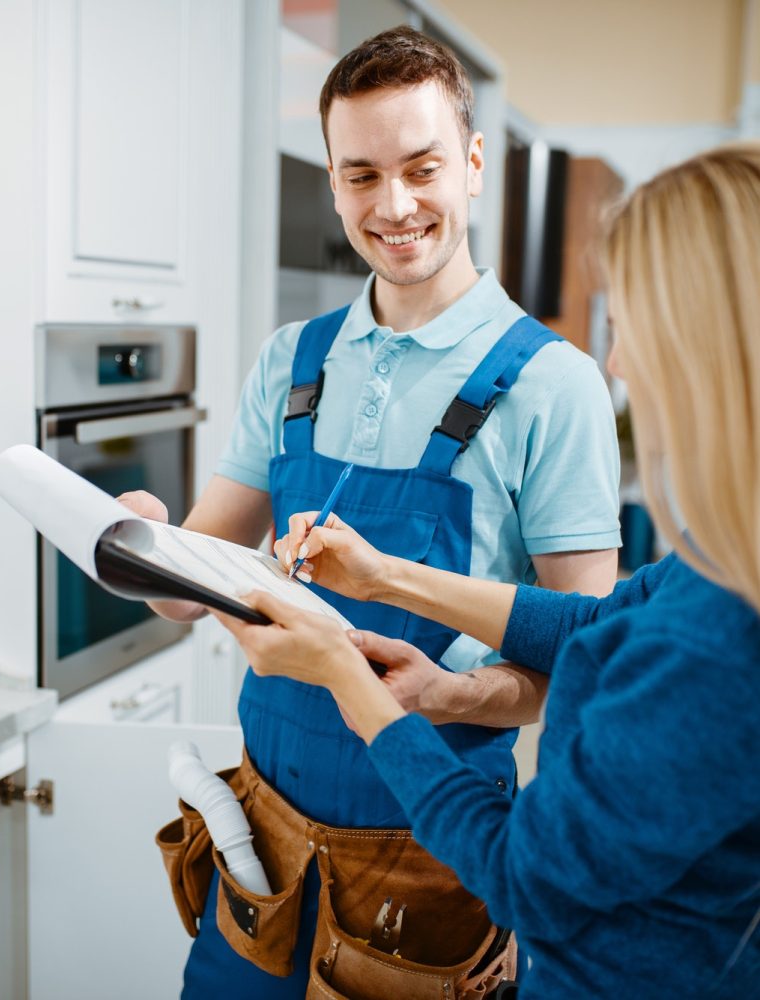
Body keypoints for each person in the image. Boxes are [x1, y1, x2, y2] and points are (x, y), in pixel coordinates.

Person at [128, 26, 621, 998]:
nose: (392, 207)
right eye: (360, 175)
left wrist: (448, 694)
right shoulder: (291, 360)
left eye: (421, 167)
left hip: (431, 861)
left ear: (474, 165)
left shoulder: (553, 388)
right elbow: (192, 589)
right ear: (331, 178)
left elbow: (588, 669)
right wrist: (140, 549)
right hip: (257, 844)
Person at [216, 142, 760, 998]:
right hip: (267, 837)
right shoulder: (725, 568)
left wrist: (347, 678)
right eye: (360, 174)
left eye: (637, 328)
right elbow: (601, 622)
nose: (620, 364)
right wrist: (386, 577)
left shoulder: (711, 646)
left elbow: (523, 873)